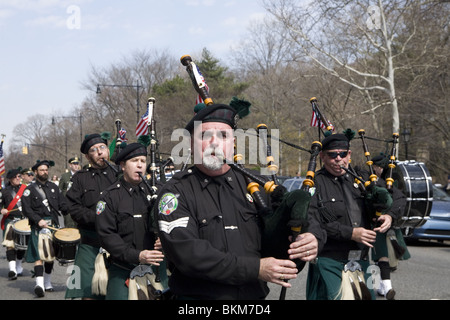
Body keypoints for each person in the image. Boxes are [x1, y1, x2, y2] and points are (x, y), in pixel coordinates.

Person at [155, 104, 324, 300]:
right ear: (191, 145)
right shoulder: (175, 192)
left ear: (232, 143)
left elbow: (302, 216)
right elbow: (190, 255)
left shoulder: (258, 185)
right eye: (205, 135)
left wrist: (311, 237)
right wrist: (256, 269)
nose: (214, 143)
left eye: (223, 136)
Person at [306, 133, 393, 300]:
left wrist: (389, 215)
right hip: (329, 261)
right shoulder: (314, 183)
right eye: (332, 154)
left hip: (361, 261)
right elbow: (313, 222)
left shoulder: (362, 178)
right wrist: (350, 233)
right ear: (323, 156)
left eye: (343, 154)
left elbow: (396, 197)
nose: (338, 159)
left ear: (349, 155)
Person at [96, 142, 167, 300]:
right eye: (134, 161)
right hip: (122, 270)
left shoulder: (158, 192)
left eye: (142, 161)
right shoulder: (109, 197)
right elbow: (107, 236)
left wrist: (165, 238)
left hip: (156, 270)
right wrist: (137, 255)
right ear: (122, 165)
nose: (140, 165)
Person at [64, 133, 118, 300]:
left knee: (117, 292)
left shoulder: (119, 174)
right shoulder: (80, 178)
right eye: (94, 150)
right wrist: (100, 218)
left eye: (102, 148)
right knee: (88, 294)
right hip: (90, 244)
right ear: (87, 156)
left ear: (108, 151)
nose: (100, 152)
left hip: (118, 243)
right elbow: (73, 208)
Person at [21, 160, 69, 297]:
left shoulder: (54, 187)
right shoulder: (29, 190)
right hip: (38, 226)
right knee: (39, 256)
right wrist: (38, 220)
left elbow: (62, 204)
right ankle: (39, 284)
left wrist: (69, 209)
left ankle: (47, 283)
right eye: (42, 170)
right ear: (36, 172)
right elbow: (26, 209)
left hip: (52, 225)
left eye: (46, 170)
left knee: (50, 257)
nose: (45, 172)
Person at [371, 153, 410, 300]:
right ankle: (382, 287)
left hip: (382, 221)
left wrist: (390, 215)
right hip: (372, 221)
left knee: (381, 255)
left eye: (378, 167)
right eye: (375, 166)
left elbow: (399, 198)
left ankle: (385, 287)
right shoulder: (370, 177)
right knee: (378, 256)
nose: (376, 169)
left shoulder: (389, 180)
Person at [1, 168, 27, 280]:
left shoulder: (26, 190)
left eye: (19, 176)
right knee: (10, 245)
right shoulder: (4, 191)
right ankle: (12, 269)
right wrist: (2, 210)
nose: (18, 178)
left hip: (23, 221)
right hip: (10, 220)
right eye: (16, 177)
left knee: (22, 246)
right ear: (11, 179)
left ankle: (18, 265)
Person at [59, 157, 81, 228]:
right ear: (70, 165)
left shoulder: (82, 175)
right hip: (68, 205)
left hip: (79, 205)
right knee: (69, 226)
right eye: (74, 164)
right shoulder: (65, 176)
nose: (76, 165)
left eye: (77, 164)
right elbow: (60, 191)